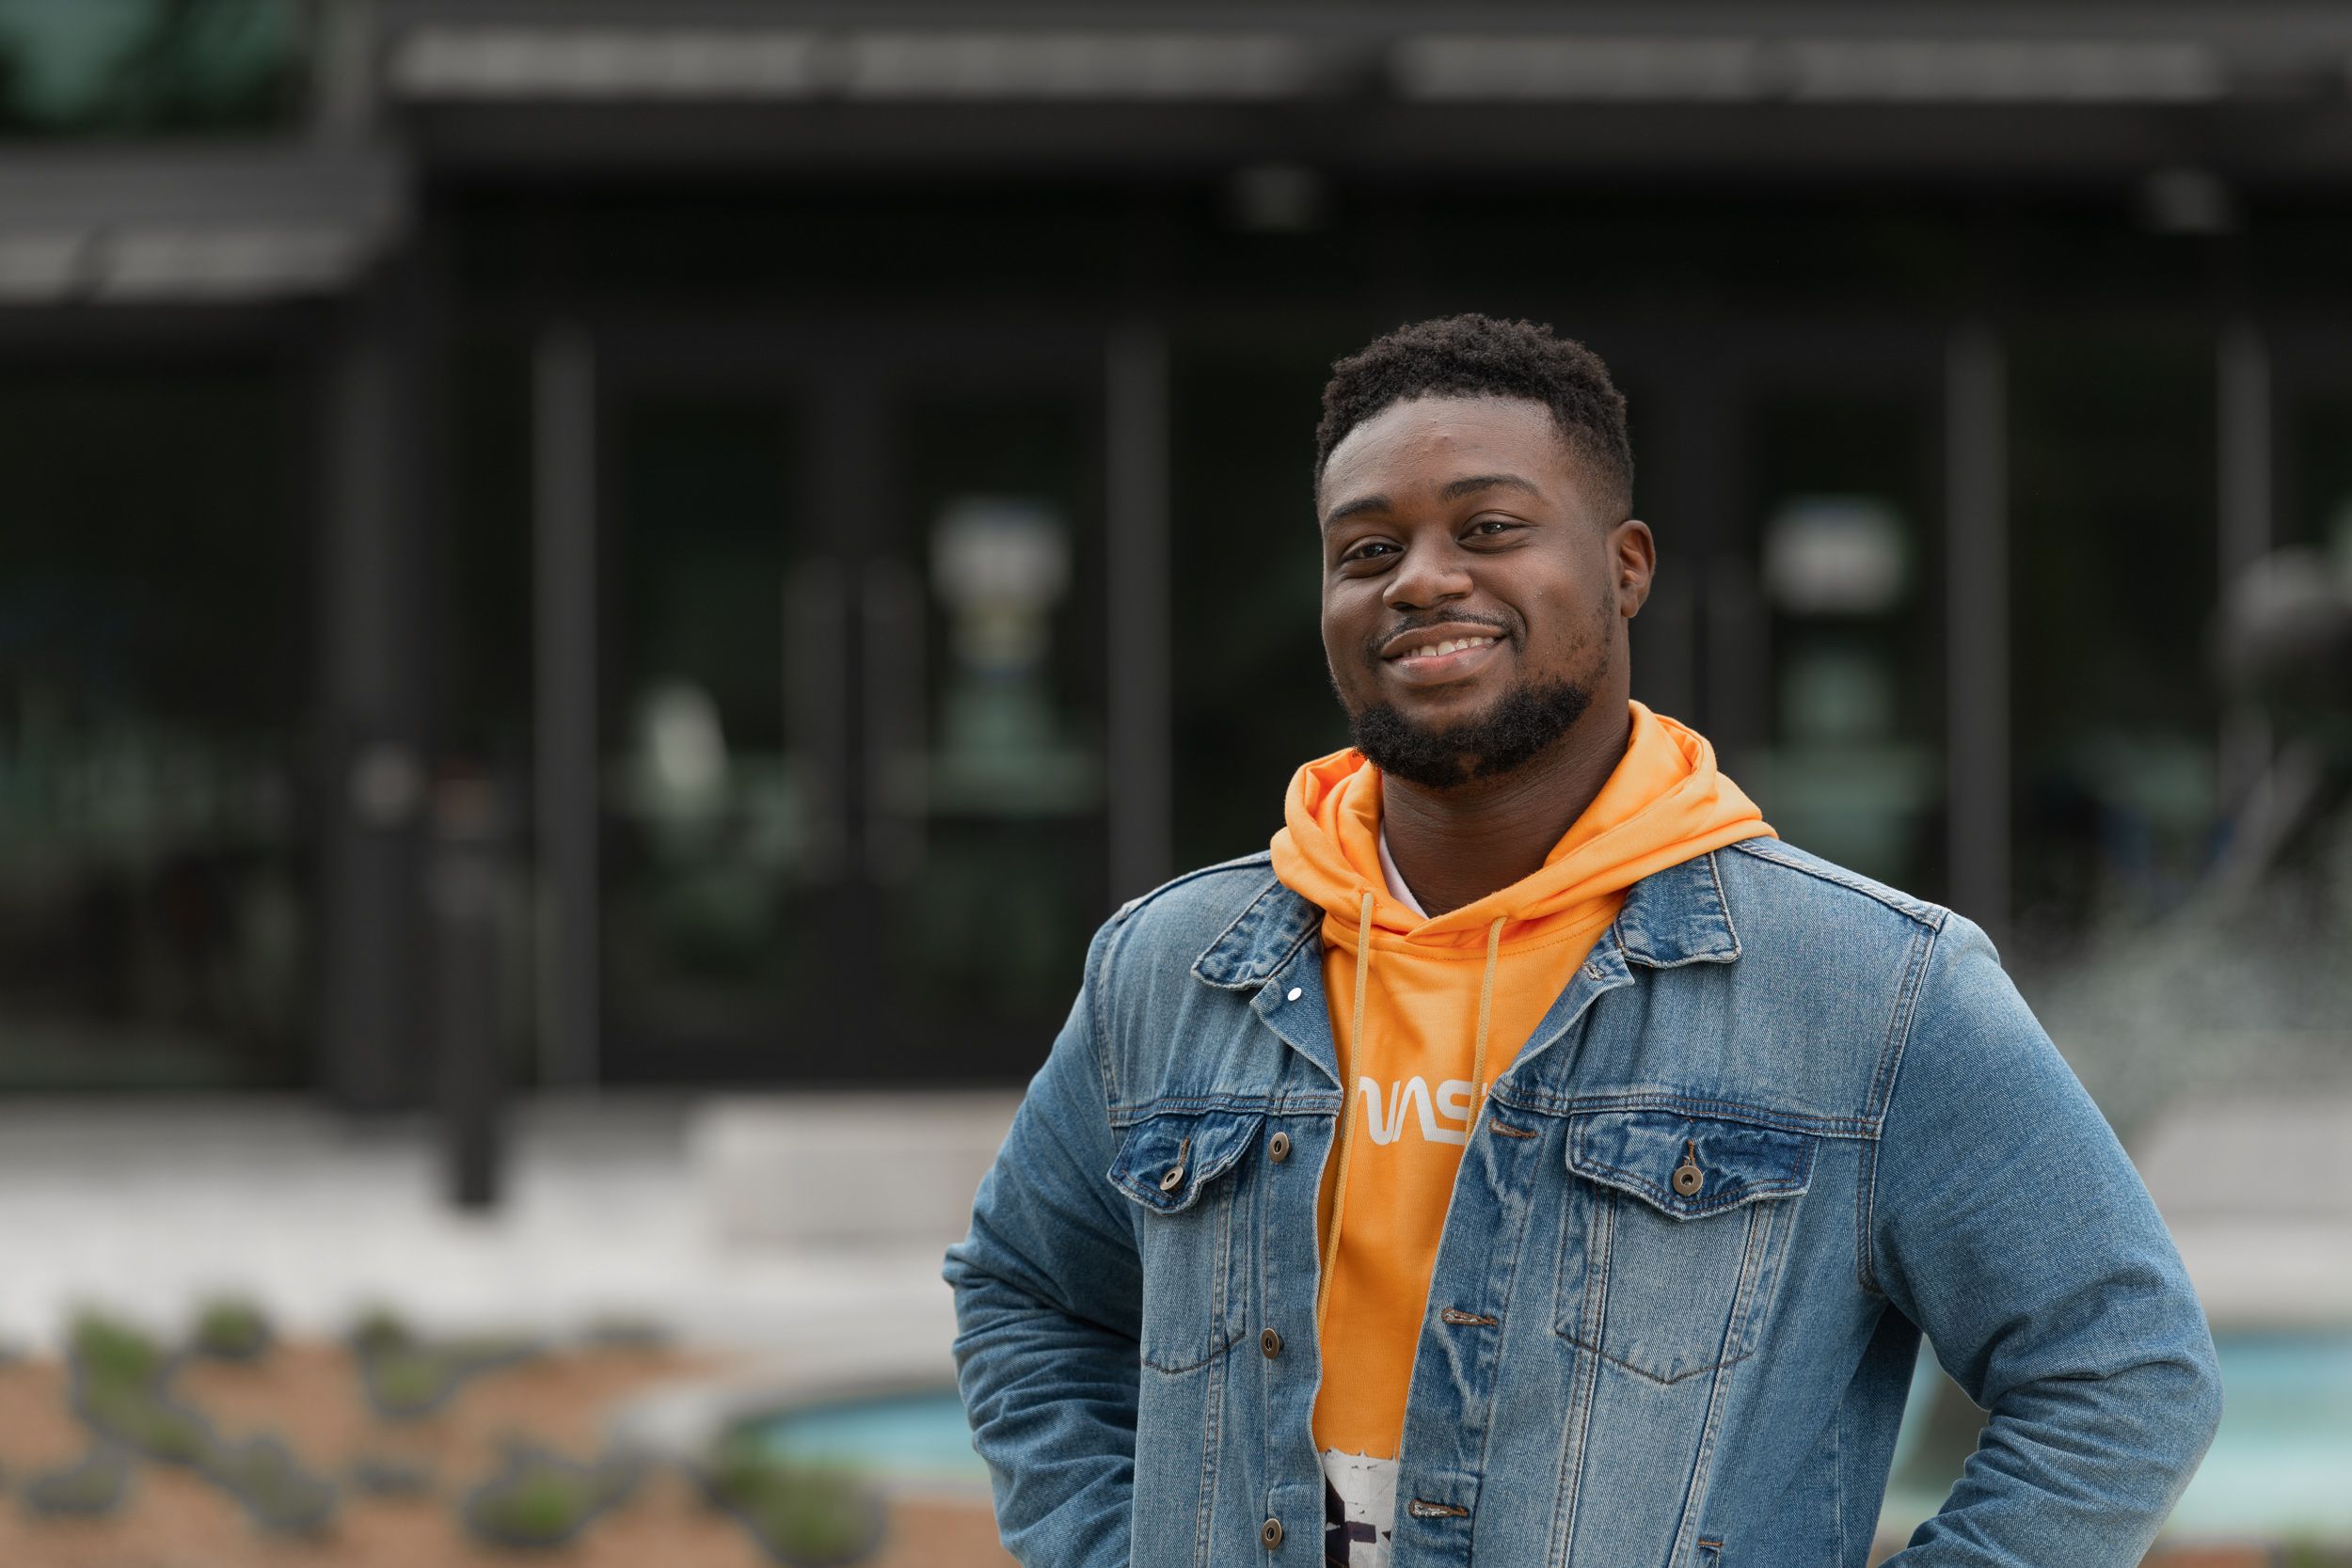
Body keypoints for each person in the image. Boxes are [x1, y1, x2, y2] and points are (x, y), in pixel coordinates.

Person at [944, 314, 2219, 1568]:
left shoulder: (1873, 989)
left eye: (1489, 528)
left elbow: (2123, 1374)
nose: (1423, 577)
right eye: (1368, 547)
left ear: (1627, 566)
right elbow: (1027, 1293)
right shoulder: (1171, 968)